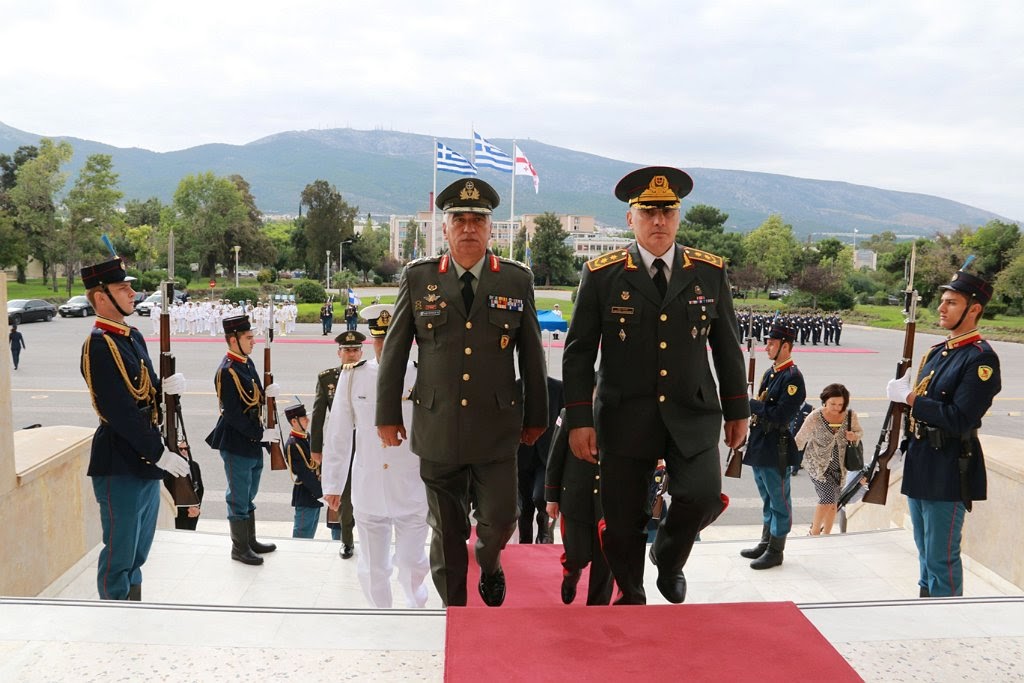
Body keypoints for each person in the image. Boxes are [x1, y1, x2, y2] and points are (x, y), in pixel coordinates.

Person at [562, 166, 749, 605]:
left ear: (679, 216)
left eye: (668, 211)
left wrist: (738, 410)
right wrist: (578, 420)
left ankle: (669, 555)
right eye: (649, 213)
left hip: (693, 410)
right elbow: (578, 352)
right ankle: (632, 592)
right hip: (625, 414)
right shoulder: (603, 274)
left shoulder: (709, 271)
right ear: (631, 219)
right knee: (623, 522)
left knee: (701, 496)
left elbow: (727, 347)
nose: (659, 221)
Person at [376, 177, 548, 608]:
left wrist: (536, 417)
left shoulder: (514, 279)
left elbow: (531, 356)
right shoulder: (419, 278)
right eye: (459, 220)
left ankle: (489, 562)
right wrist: (386, 415)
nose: (468, 227)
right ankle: (455, 609)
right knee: (447, 529)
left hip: (496, 428)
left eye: (478, 220)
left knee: (501, 519)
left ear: (491, 229)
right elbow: (395, 351)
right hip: (438, 427)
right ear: (445, 228)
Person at [885, 266, 1001, 597]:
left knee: (941, 556)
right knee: (923, 549)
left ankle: (947, 621)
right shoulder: (938, 352)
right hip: (923, 461)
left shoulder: (980, 360)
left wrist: (910, 399)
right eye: (942, 300)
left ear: (974, 309)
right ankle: (927, 607)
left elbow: (960, 418)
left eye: (951, 302)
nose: (941, 307)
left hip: (949, 466)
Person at [79, 256, 190, 600]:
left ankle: (133, 608)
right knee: (119, 552)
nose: (131, 293)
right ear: (101, 298)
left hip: (145, 462)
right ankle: (115, 620)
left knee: (140, 548)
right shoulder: (98, 345)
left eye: (129, 287)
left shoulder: (132, 336)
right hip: (120, 462)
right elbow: (120, 412)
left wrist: (165, 388)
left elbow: (146, 389)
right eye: (122, 288)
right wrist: (160, 453)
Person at [323, 303, 430, 608]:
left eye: (390, 340)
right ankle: (379, 614)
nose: (384, 347)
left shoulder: (420, 375)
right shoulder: (354, 376)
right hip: (369, 485)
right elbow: (339, 433)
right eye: (378, 341)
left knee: (412, 562)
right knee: (372, 567)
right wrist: (332, 484)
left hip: (411, 485)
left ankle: (414, 606)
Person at [204, 314, 282, 565]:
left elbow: (256, 395)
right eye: (249, 337)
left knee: (249, 492)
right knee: (238, 496)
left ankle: (250, 540)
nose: (254, 341)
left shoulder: (246, 364)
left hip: (252, 440)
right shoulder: (227, 371)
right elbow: (233, 414)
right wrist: (261, 435)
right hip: (238, 442)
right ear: (233, 339)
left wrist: (268, 394)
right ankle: (239, 548)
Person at [740, 322, 806, 570]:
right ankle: (766, 542)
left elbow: (780, 415)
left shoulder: (792, 378)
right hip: (761, 443)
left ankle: (776, 550)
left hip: (775, 445)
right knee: (766, 496)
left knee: (779, 499)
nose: (767, 347)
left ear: (785, 346)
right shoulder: (772, 373)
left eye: (771, 343)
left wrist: (753, 405)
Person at [545, 406, 613, 606]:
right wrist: (551, 497)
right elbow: (555, 457)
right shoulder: (570, 415)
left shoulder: (623, 414)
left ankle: (597, 607)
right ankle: (570, 575)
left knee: (605, 559)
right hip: (575, 498)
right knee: (577, 555)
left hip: (608, 500)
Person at [310, 331, 360, 559]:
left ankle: (374, 541)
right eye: (347, 350)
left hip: (368, 442)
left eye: (355, 350)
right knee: (346, 495)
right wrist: (316, 449)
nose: (351, 355)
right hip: (342, 444)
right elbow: (318, 416)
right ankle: (347, 541)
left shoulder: (372, 374)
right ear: (339, 353)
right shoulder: (327, 378)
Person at [794, 383, 863, 535]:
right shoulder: (815, 416)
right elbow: (800, 439)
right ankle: (814, 532)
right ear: (825, 400)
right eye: (833, 403)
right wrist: (787, 459)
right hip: (817, 465)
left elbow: (859, 433)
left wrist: (854, 436)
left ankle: (827, 534)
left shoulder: (850, 415)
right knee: (827, 497)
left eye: (840, 404)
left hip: (840, 465)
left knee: (834, 503)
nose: (837, 407)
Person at [516, 376, 564, 544]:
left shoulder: (557, 388)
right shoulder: (515, 387)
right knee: (525, 505)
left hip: (547, 456)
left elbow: (563, 420)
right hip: (522, 454)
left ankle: (543, 527)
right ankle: (525, 541)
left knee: (538, 496)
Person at [283, 403, 323, 539]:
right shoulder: (293, 445)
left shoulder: (306, 437)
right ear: (294, 421)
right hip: (307, 494)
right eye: (303, 418)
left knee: (310, 534)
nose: (307, 420)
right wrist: (320, 493)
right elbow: (304, 473)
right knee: (302, 536)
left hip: (315, 494)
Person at [162, 458, 204, 530]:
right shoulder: (169, 467)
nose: (184, 451)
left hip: (193, 510)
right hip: (177, 511)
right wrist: (186, 508)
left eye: (186, 448)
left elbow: (200, 488)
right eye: (181, 449)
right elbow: (169, 491)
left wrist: (197, 507)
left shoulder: (194, 465)